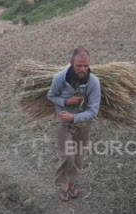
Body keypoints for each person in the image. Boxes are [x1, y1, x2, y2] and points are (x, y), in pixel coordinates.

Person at [47, 48, 101, 201]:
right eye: (79, 66)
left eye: (86, 66)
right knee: (67, 155)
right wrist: (65, 102)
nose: (83, 69)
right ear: (71, 63)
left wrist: (75, 117)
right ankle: (64, 183)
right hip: (63, 122)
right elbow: (50, 96)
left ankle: (73, 181)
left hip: (83, 123)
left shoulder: (94, 82)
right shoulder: (59, 78)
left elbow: (93, 111)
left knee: (77, 156)